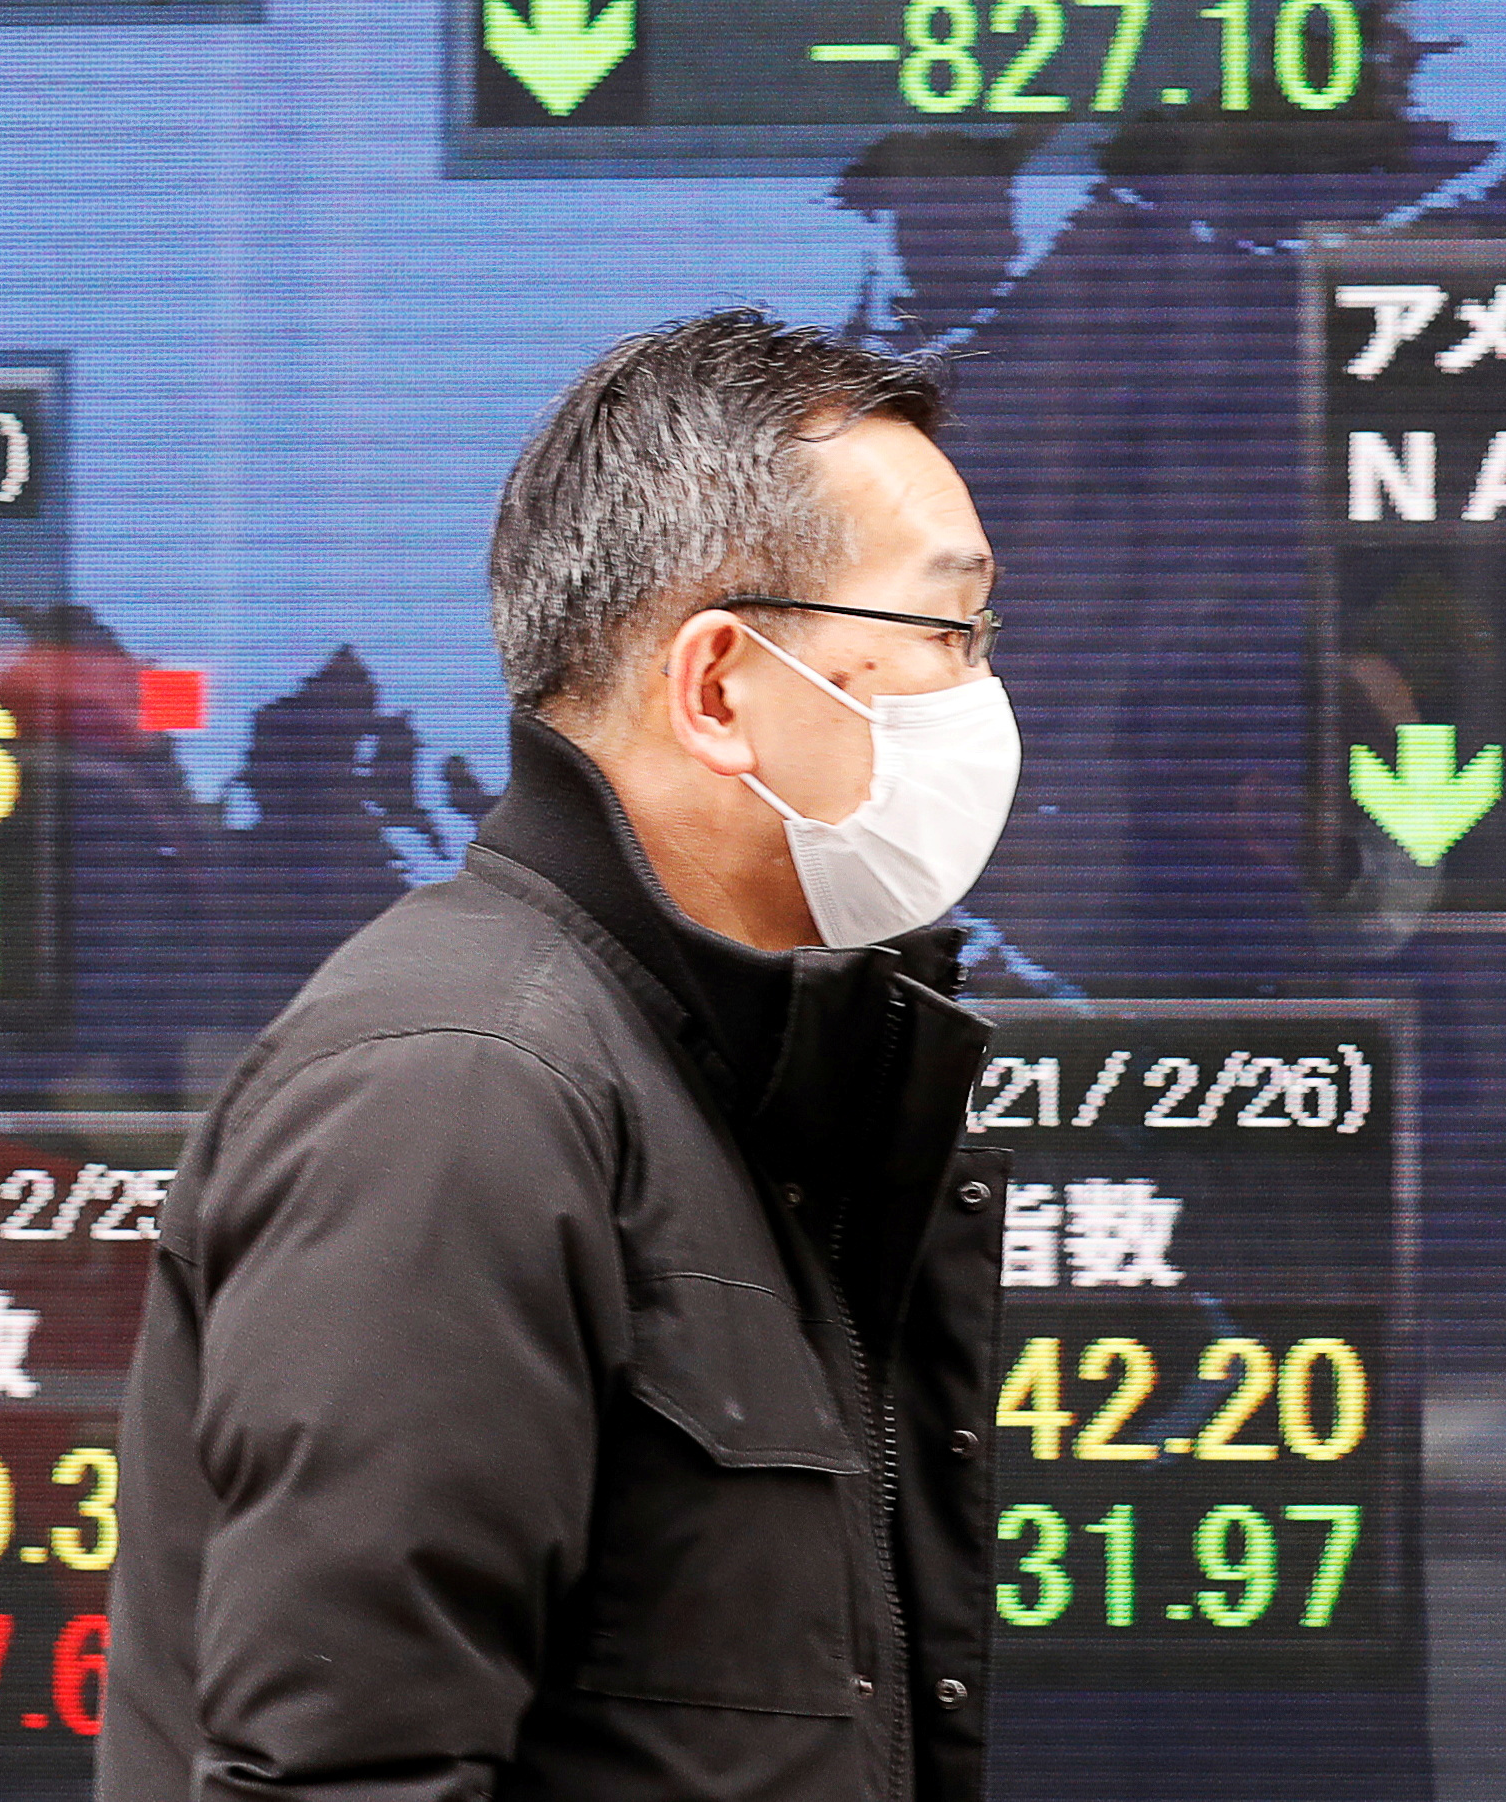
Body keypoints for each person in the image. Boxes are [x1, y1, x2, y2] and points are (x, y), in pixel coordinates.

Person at [100, 308, 1017, 1802]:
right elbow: (348, 1778)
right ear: (719, 685)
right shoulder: (458, 1088)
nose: (979, 691)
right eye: (947, 628)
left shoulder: (725, 1090)